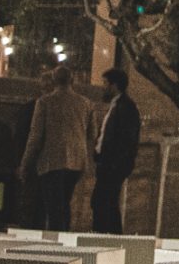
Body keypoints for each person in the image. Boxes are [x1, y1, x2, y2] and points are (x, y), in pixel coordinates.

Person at [20, 63, 93, 230]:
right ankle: (65, 240)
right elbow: (92, 134)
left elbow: (35, 136)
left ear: (53, 80)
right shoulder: (86, 103)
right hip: (76, 161)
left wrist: (26, 163)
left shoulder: (45, 102)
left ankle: (55, 243)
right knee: (65, 205)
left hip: (51, 161)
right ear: (72, 80)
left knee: (53, 207)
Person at [90, 64, 141, 232]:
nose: (103, 87)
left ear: (114, 85)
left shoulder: (125, 107)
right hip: (108, 163)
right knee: (105, 202)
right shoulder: (117, 105)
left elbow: (126, 139)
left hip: (112, 165)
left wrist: (113, 163)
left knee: (103, 201)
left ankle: (105, 236)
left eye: (105, 83)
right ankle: (109, 235)